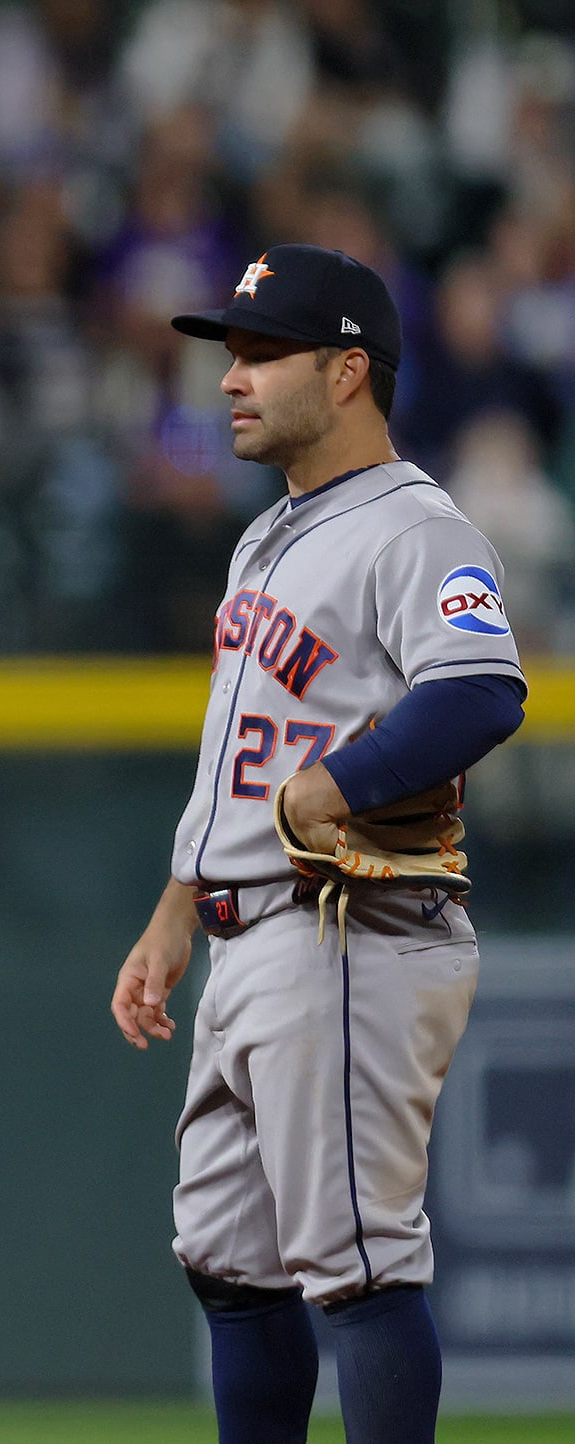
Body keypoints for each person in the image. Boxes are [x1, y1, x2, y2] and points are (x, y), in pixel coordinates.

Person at [111, 245, 526, 1444]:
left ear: (349, 371)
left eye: (260, 353)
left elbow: (483, 690)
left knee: (359, 1267)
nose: (231, 378)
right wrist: (179, 905)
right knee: (231, 1271)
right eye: (229, 353)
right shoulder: (266, 538)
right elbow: (241, 751)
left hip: (347, 931)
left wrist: (331, 791)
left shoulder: (417, 528)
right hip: (250, 935)